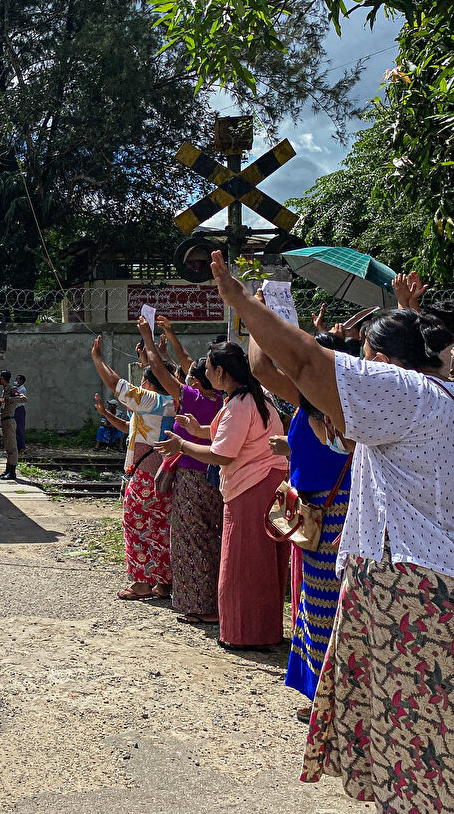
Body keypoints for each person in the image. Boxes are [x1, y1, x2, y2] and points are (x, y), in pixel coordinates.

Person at [206, 253, 454, 811]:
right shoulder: (435, 399)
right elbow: (282, 370)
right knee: (419, 737)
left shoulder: (408, 397)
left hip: (409, 590)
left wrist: (245, 304)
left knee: (411, 744)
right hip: (418, 583)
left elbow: (302, 362)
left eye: (367, 359)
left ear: (386, 365)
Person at [155, 340, 288, 650]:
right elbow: (223, 436)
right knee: (261, 562)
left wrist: (182, 445)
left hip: (251, 487)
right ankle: (262, 630)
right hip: (265, 484)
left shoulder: (240, 405)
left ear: (219, 370)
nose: (203, 373)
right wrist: (197, 429)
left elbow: (223, 454)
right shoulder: (254, 399)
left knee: (243, 563)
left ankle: (246, 633)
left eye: (209, 367)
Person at [251, 327, 354, 721]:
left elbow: (259, 366)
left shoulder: (314, 398)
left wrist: (256, 309)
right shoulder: (338, 402)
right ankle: (326, 696)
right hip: (323, 510)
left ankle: (329, 700)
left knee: (323, 606)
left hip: (326, 514)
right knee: (315, 603)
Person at [137, 317, 225, 623]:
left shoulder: (194, 399)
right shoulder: (226, 401)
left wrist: (149, 339)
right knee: (212, 539)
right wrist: (172, 339)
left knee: (189, 542)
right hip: (218, 476)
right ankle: (215, 602)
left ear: (197, 382)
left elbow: (161, 370)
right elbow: (188, 363)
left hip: (191, 476)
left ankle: (200, 606)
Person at [92, 336, 176, 600]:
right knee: (161, 527)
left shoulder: (151, 400)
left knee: (135, 523)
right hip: (165, 473)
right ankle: (163, 581)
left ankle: (141, 582)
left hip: (145, 474)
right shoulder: (175, 401)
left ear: (150, 384)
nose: (141, 383)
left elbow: (118, 386)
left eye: (144, 378)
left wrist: (98, 359)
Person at [0, 369, 22, 480]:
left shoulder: (12, 389)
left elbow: (23, 398)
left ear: (2, 378)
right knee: (7, 446)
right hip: (4, 420)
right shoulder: (4, 390)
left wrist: (8, 400)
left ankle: (12, 472)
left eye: (0, 377)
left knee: (12, 447)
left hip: (10, 420)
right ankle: (7, 470)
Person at [14, 375, 28, 453]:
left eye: (17, 379)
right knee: (15, 429)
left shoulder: (22, 389)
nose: (15, 380)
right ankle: (16, 446)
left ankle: (22, 447)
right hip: (14, 409)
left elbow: (18, 400)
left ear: (21, 381)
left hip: (19, 409)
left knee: (20, 428)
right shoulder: (16, 388)